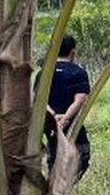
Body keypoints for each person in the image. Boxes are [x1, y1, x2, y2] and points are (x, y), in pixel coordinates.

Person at [38, 34, 92, 181]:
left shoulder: (44, 73)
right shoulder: (78, 72)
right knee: (82, 156)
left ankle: (53, 193)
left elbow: (39, 100)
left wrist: (54, 117)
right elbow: (81, 99)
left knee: (54, 160)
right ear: (73, 52)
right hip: (72, 126)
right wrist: (65, 118)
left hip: (51, 127)